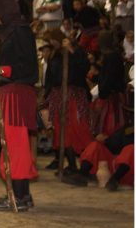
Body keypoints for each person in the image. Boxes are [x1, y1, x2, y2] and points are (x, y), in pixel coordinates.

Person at [0, 0, 39, 212]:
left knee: (15, 147)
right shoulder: (10, 32)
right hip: (10, 93)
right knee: (13, 147)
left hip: (17, 96)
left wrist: (2, 69)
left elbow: (29, 68)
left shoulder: (21, 31)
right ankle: (21, 194)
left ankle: (19, 197)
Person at [42, 28, 92, 172]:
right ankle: (71, 164)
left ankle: (88, 163)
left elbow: (84, 67)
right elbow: (51, 78)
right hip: (59, 97)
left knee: (77, 129)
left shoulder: (74, 51)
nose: (51, 43)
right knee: (62, 132)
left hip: (74, 96)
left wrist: (71, 50)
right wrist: (47, 95)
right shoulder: (54, 56)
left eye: (51, 39)